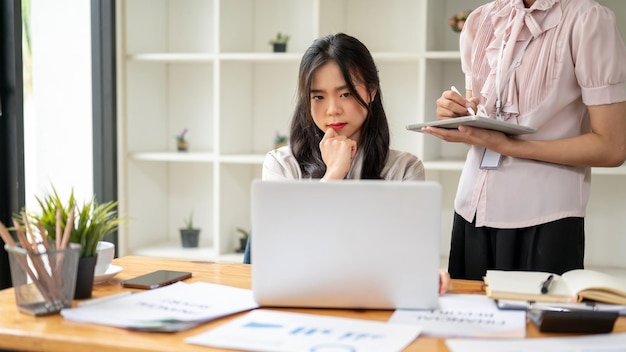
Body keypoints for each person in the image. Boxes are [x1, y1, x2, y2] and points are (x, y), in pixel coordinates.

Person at [423, 0, 626, 280]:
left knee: (537, 322)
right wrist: (457, 115)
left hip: (545, 217)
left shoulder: (588, 19)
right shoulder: (480, 20)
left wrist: (511, 147)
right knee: (469, 320)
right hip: (471, 210)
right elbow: (481, 115)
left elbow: (613, 147)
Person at [245, 32, 450, 294]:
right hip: (299, 295)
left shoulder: (405, 169)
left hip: (373, 299)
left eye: (344, 94)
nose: (332, 109)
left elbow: (409, 255)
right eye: (318, 97)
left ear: (371, 91)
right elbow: (283, 253)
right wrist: (333, 174)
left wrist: (424, 273)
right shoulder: (281, 164)